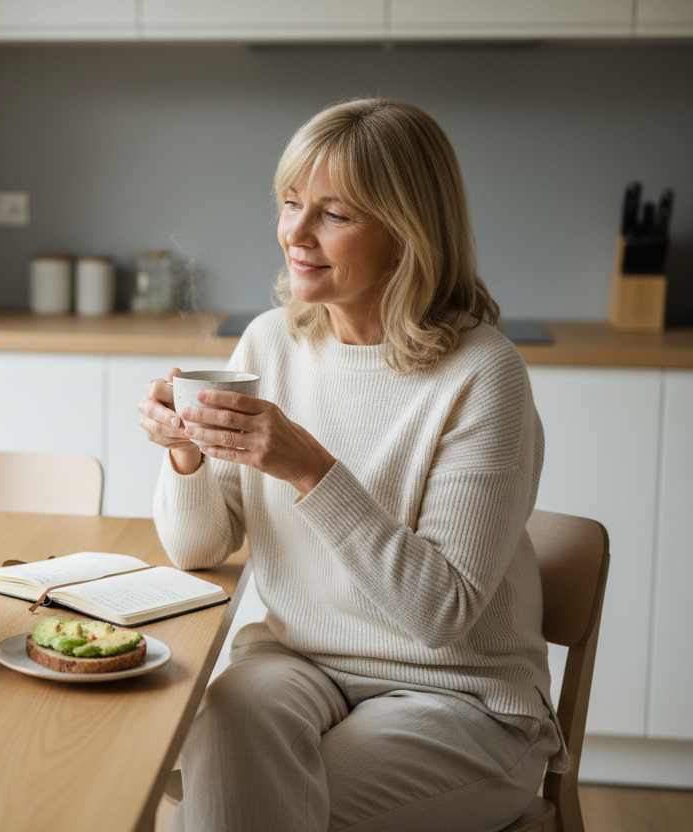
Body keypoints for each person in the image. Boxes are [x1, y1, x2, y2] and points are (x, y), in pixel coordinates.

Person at [137, 98, 565, 832]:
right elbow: (198, 549)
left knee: (237, 810)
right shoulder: (269, 344)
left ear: (406, 234)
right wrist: (185, 455)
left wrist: (310, 469)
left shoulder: (482, 374)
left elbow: (440, 615)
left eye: (333, 215)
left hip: (459, 697)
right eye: (290, 204)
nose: (295, 235)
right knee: (227, 723)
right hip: (296, 664)